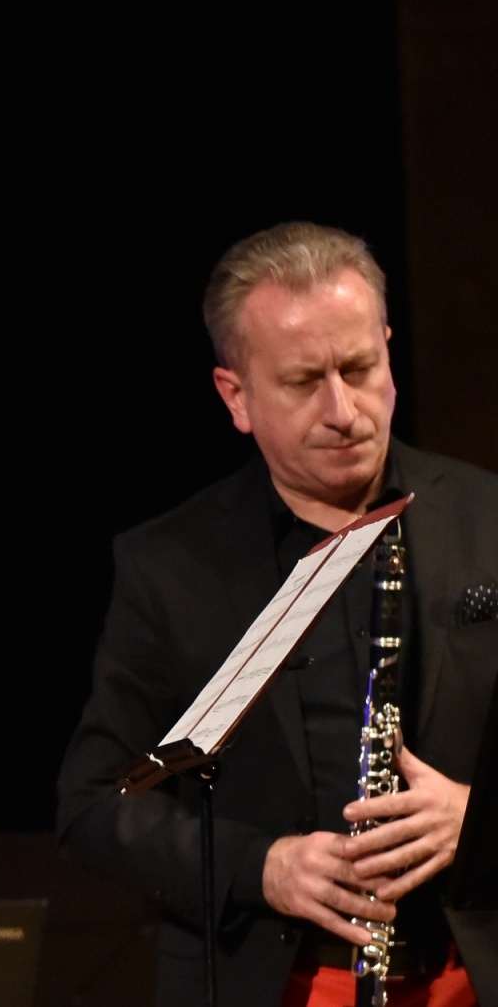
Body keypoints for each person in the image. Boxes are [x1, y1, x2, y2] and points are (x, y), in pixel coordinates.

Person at [56, 221, 498, 1006]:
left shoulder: (488, 519)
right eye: (303, 382)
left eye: (361, 368)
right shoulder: (170, 568)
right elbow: (96, 803)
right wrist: (263, 867)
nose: (344, 410)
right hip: (280, 982)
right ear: (236, 396)